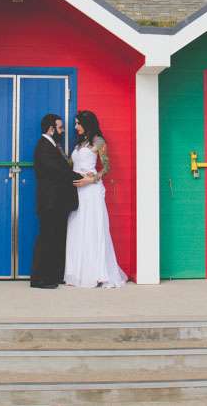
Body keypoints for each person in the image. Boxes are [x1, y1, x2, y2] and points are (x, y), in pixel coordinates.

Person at [64, 110, 127, 288]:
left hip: (91, 190)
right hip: (77, 191)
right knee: (77, 229)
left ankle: (98, 273)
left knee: (93, 229)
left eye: (78, 123)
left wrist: (91, 179)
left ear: (87, 124)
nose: (75, 127)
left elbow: (106, 167)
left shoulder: (99, 141)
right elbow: (71, 164)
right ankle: (78, 274)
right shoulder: (79, 144)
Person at [30, 113, 86, 289]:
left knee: (54, 239)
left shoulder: (52, 146)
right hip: (50, 202)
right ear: (51, 129)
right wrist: (82, 177)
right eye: (60, 128)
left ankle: (52, 276)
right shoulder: (44, 147)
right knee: (47, 240)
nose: (63, 131)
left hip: (56, 203)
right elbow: (59, 171)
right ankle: (39, 279)